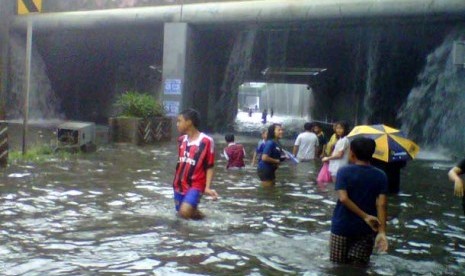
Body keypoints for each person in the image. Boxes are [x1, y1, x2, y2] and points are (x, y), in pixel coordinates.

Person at [330, 137, 388, 265]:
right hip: (367, 230)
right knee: (359, 267)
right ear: (372, 154)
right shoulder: (381, 175)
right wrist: (382, 232)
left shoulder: (344, 171)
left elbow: (343, 198)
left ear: (352, 153)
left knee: (337, 266)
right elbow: (381, 204)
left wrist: (365, 216)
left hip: (342, 226)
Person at [172, 108, 219, 220]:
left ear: (189, 122)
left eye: (179, 121)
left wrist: (207, 187)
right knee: (182, 214)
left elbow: (210, 166)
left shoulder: (206, 141)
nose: (177, 124)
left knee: (184, 211)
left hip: (196, 184)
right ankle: (204, 219)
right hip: (179, 183)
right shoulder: (181, 140)